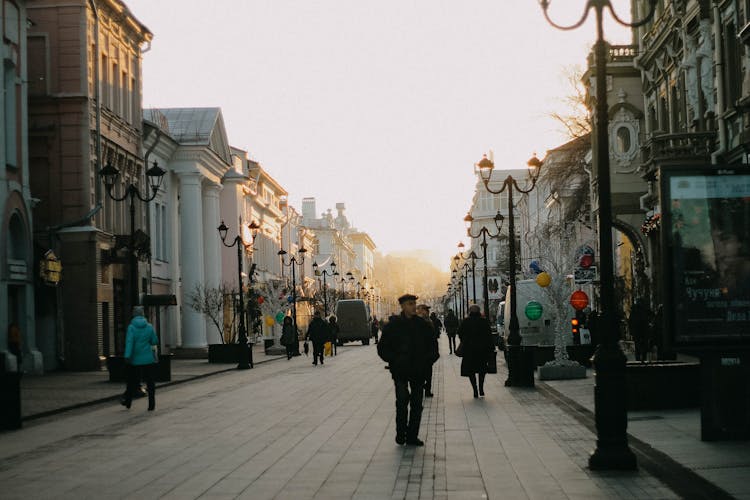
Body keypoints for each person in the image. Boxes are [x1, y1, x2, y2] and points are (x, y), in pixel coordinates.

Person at [377, 294, 434, 446]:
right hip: (400, 370)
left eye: (414, 303)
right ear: (402, 306)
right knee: (402, 402)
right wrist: (394, 360)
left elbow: (432, 347)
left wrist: (426, 362)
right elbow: (382, 348)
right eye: (410, 304)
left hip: (418, 371)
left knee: (416, 404)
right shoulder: (393, 325)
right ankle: (401, 433)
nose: (414, 306)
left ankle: (412, 436)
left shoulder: (422, 325)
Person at [121, 306, 158, 411]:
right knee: (150, 382)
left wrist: (127, 356)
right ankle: (151, 405)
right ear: (143, 314)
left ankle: (128, 401)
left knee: (131, 380)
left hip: (135, 359)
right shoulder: (149, 327)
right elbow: (154, 341)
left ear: (134, 314)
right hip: (148, 359)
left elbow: (129, 343)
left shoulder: (131, 327)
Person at [458, 305, 493, 399]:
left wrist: (466, 340)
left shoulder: (466, 321)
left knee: (471, 370)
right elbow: (489, 335)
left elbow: (460, 333)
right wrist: (490, 348)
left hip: (469, 350)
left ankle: (475, 389)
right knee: (482, 370)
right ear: (479, 311)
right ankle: (481, 388)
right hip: (482, 350)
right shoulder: (484, 321)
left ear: (470, 311)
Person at [417, 304, 439, 398]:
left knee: (427, 372)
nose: (427, 312)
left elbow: (433, 337)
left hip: (428, 352)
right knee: (422, 372)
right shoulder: (417, 322)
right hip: (420, 352)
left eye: (427, 310)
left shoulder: (429, 321)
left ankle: (427, 389)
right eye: (425, 310)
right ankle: (424, 388)